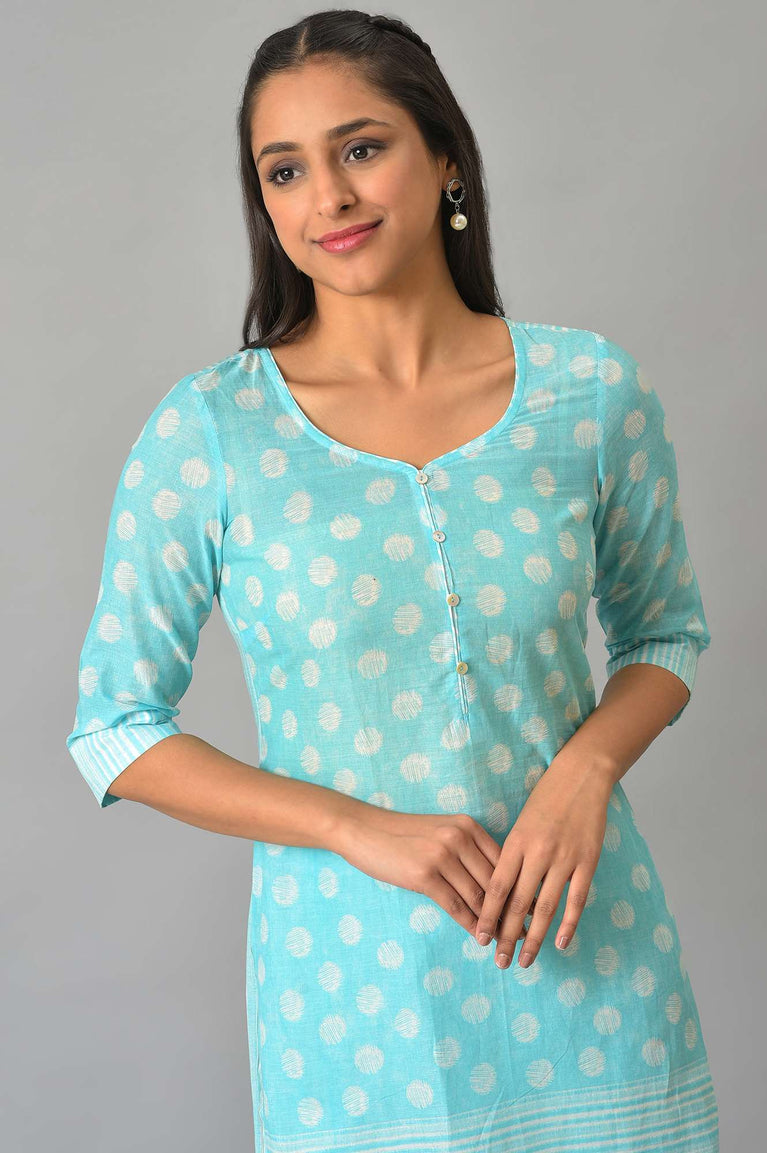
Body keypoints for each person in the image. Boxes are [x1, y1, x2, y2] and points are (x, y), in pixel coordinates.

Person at [65, 9, 720, 1151]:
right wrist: (351, 825)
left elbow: (663, 634)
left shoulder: (587, 391)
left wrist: (583, 770)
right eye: (284, 170)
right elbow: (114, 731)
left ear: (445, 156)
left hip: (594, 964)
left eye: (360, 148)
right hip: (354, 1002)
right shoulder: (214, 430)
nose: (328, 196)